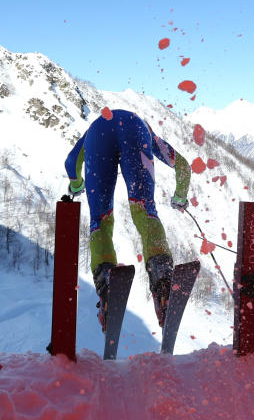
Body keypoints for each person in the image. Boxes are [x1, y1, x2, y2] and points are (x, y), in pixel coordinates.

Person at [64, 109, 190, 331]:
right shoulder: (144, 128)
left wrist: (76, 185)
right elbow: (183, 167)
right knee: (145, 211)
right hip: (137, 133)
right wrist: (180, 197)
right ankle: (163, 277)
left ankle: (106, 281)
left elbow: (70, 162)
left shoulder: (92, 128)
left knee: (99, 220)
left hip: (97, 138)